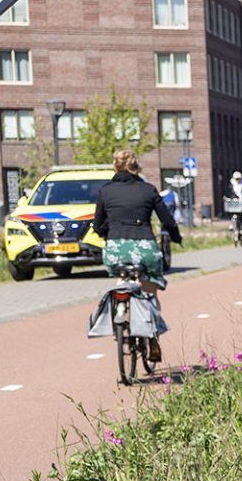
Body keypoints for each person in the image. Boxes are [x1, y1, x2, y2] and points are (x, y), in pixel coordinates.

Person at [94, 148, 184, 362]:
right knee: (150, 293)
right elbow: (168, 221)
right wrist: (176, 237)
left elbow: (97, 225)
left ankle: (119, 317)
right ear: (136, 167)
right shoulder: (148, 190)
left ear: (115, 166)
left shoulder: (105, 191)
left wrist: (110, 232)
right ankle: (153, 337)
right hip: (144, 248)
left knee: (120, 277)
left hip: (115, 250)